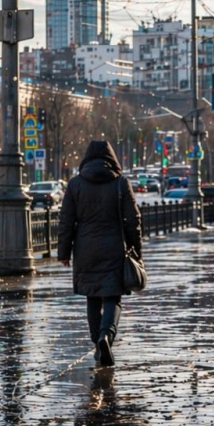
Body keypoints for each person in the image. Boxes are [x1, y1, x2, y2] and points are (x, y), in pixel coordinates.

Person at [57, 140, 143, 368]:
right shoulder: (121, 183)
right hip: (114, 248)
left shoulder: (75, 184)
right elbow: (134, 221)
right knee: (113, 296)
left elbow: (66, 220)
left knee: (92, 297)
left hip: (85, 249)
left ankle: (98, 343)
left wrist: (64, 252)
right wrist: (137, 250)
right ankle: (106, 336)